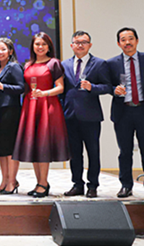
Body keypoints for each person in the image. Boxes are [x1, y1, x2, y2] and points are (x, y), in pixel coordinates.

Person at [12, 32, 69, 197]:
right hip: (30, 106)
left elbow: (61, 87)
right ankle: (39, 183)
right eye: (37, 44)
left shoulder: (54, 63)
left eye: (44, 44)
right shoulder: (27, 64)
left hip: (47, 106)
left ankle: (43, 183)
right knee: (34, 145)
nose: (40, 47)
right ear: (33, 46)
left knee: (43, 144)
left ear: (49, 47)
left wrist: (45, 93)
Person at [61, 31, 111, 198]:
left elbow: (107, 87)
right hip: (70, 116)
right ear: (71, 45)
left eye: (84, 42)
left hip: (91, 116)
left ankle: (93, 185)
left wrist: (92, 87)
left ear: (90, 45)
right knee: (74, 154)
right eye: (77, 42)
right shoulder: (65, 64)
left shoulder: (100, 63)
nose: (80, 45)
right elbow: (63, 90)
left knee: (93, 152)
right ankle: (77, 184)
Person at [107, 27, 144, 198]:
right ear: (118, 43)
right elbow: (106, 85)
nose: (127, 42)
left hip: (142, 109)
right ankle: (126, 185)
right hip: (123, 112)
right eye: (123, 40)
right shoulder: (111, 63)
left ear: (137, 40)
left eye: (131, 38)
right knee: (125, 151)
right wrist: (114, 90)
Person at [0, 37, 24, 194]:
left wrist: (2, 86)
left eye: (3, 49)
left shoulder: (14, 67)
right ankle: (4, 181)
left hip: (10, 111)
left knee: (10, 148)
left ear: (10, 51)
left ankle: (12, 181)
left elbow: (21, 88)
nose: (0, 52)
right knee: (1, 148)